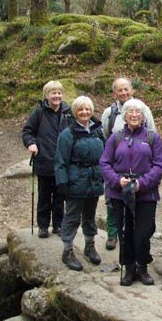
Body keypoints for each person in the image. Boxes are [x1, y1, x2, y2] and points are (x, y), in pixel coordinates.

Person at [100, 99, 162, 286]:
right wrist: (117, 181)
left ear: (143, 115)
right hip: (120, 192)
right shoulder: (115, 138)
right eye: (130, 112)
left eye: (138, 112)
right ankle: (128, 268)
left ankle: (142, 266)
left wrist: (141, 184)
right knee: (125, 230)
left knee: (144, 231)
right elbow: (105, 163)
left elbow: (159, 165)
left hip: (146, 193)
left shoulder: (152, 138)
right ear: (125, 116)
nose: (134, 115)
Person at [101, 77, 156, 251]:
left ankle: (136, 241)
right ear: (114, 93)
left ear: (132, 90)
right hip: (117, 163)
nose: (124, 93)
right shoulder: (108, 113)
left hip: (141, 164)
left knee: (140, 204)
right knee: (112, 199)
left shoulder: (142, 109)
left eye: (126, 89)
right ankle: (112, 234)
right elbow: (105, 135)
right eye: (120, 90)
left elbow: (152, 134)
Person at [54, 96, 105, 271]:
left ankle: (89, 246)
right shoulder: (68, 134)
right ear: (75, 112)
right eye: (81, 110)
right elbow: (60, 161)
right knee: (72, 216)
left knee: (90, 216)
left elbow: (105, 157)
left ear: (91, 110)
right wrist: (62, 183)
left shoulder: (98, 131)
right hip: (75, 180)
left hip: (94, 179)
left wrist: (104, 176)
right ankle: (67, 250)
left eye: (87, 109)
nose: (84, 112)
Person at [22, 80, 71, 238]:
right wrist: (31, 144)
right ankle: (43, 226)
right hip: (44, 161)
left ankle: (58, 225)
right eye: (53, 93)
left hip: (63, 163)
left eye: (59, 93)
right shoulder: (39, 112)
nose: (56, 96)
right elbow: (27, 132)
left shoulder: (68, 112)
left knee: (59, 197)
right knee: (44, 196)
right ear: (46, 95)